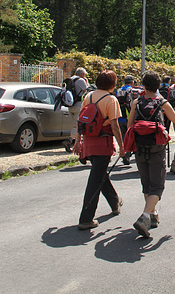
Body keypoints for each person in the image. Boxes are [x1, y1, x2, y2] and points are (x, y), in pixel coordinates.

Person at [125, 70, 175, 237]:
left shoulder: (137, 102)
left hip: (140, 146)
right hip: (157, 146)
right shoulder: (162, 102)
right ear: (158, 86)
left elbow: (129, 125)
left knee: (147, 182)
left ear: (143, 85)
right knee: (158, 185)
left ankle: (153, 216)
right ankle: (145, 216)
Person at [73, 70, 124, 230]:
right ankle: (86, 218)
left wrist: (78, 141)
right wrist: (122, 146)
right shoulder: (111, 99)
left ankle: (115, 202)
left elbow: (81, 120)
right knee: (95, 180)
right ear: (112, 83)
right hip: (103, 142)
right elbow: (115, 126)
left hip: (89, 142)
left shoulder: (88, 96)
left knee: (99, 173)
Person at [64, 67, 89, 153]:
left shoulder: (70, 79)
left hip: (70, 105)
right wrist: (86, 82)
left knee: (75, 124)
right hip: (78, 105)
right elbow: (87, 91)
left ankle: (77, 142)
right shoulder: (81, 80)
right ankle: (69, 140)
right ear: (82, 74)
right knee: (78, 125)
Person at [116, 75, 136, 165]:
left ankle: (125, 153)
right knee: (130, 136)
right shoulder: (131, 90)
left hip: (120, 116)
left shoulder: (118, 90)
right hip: (128, 116)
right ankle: (127, 154)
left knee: (123, 136)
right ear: (132, 82)